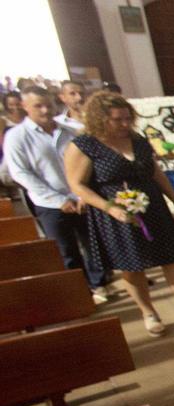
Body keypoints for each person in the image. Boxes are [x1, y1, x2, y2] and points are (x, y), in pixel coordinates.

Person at [64, 91, 174, 335]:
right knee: (132, 266)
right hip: (115, 212)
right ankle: (148, 312)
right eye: (117, 120)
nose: (124, 124)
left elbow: (155, 172)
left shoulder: (138, 140)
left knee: (171, 259)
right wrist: (110, 207)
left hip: (152, 205)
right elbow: (77, 184)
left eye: (126, 118)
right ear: (100, 119)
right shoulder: (84, 145)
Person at [4, 86, 107, 301]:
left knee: (93, 243)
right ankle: (79, 292)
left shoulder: (70, 130)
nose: (44, 110)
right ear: (25, 107)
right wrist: (59, 200)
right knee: (66, 249)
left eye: (48, 105)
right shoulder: (17, 137)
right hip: (49, 203)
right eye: (38, 106)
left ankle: (99, 283)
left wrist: (82, 194)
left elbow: (88, 162)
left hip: (82, 197)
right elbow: (21, 173)